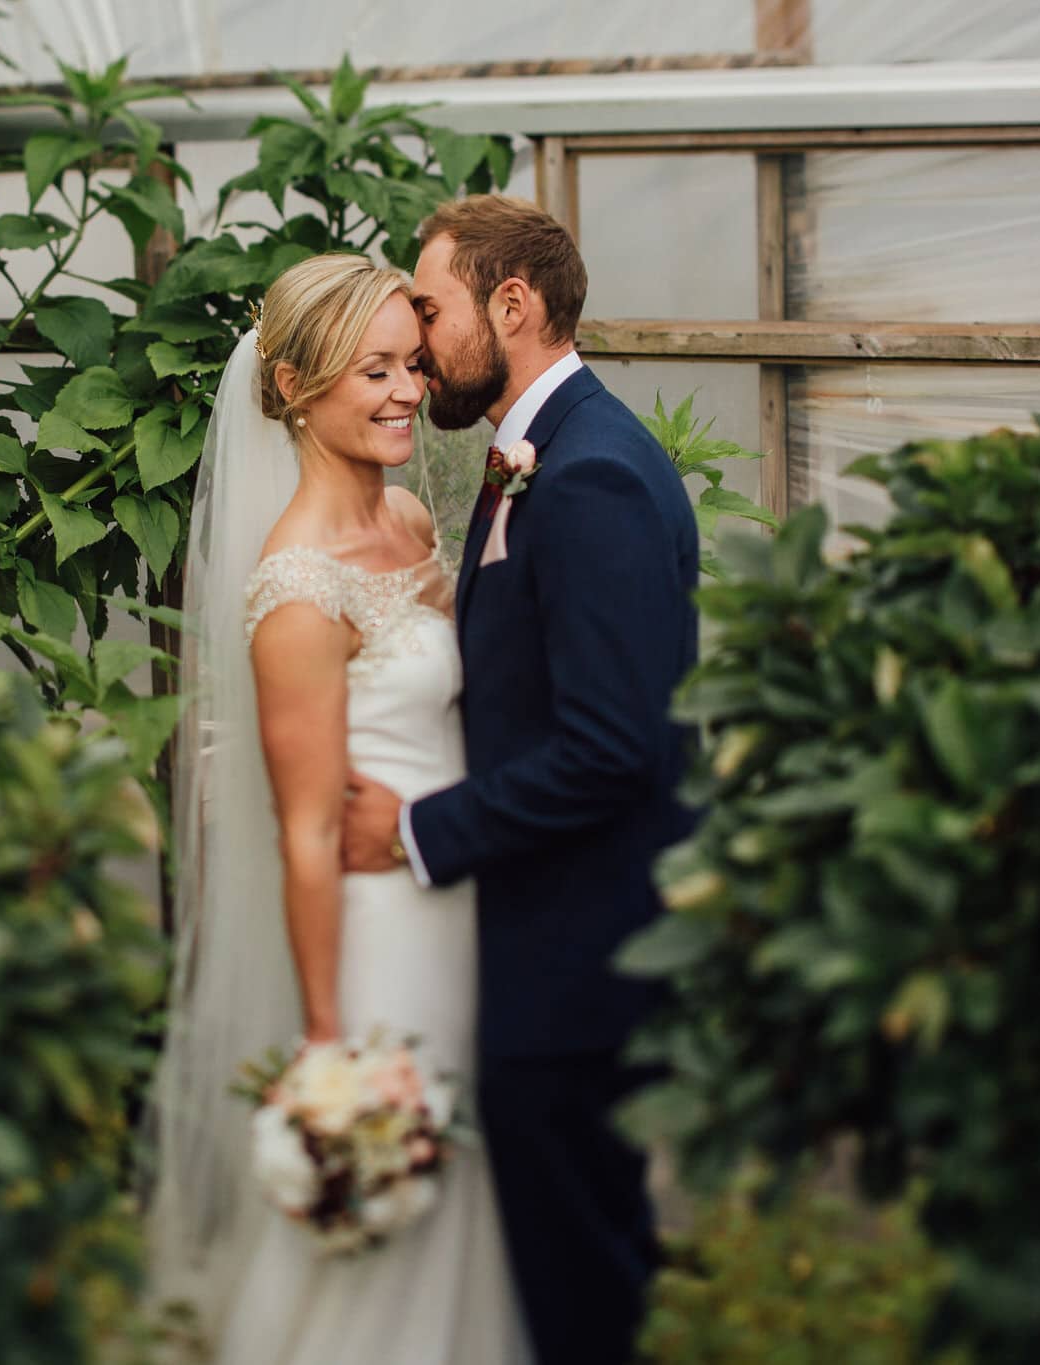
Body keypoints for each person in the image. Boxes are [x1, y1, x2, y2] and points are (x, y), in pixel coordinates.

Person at [143, 252, 533, 1364]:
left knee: (466, 1196)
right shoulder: (296, 591)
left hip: (455, 894)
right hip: (378, 936)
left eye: (412, 364)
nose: (409, 390)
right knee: (388, 1209)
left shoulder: (410, 522)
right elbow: (304, 833)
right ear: (296, 390)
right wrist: (324, 1046)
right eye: (373, 371)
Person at [339, 194, 702, 1365]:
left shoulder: (589, 475)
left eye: (429, 308)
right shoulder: (535, 454)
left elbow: (611, 746)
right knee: (573, 1263)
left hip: (575, 958)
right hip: (544, 942)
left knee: (579, 1282)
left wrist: (419, 828)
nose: (415, 332)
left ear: (513, 304)